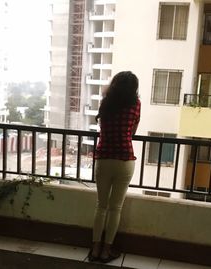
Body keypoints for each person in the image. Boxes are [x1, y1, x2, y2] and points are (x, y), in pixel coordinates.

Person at [88, 71, 141, 263]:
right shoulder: (136, 105)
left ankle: (94, 249)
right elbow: (133, 131)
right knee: (115, 208)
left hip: (103, 158)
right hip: (125, 159)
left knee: (101, 206)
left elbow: (103, 127)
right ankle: (106, 251)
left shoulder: (106, 103)